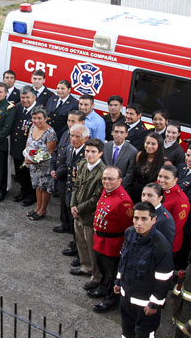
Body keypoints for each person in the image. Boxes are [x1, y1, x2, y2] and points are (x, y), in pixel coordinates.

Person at [114, 201, 174, 337]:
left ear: (153, 220)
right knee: (126, 330)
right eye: (136, 218)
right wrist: (118, 282)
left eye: (144, 219)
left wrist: (154, 304)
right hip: (126, 297)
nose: (139, 223)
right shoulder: (129, 233)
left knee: (144, 334)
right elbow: (123, 260)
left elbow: (164, 278)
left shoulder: (161, 245)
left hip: (145, 305)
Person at [90, 166, 134, 312]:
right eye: (104, 178)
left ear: (120, 181)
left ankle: (110, 299)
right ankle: (103, 289)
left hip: (112, 244)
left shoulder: (123, 201)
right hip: (100, 240)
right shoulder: (107, 191)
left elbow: (127, 227)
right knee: (103, 270)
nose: (106, 181)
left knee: (111, 273)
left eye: (110, 179)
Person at [69, 137, 105, 291]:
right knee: (81, 242)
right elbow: (76, 184)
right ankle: (85, 267)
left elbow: (95, 199)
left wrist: (79, 208)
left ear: (100, 153)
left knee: (91, 247)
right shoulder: (83, 164)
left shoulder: (102, 172)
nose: (89, 155)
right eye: (87, 151)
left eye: (93, 152)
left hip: (89, 214)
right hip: (77, 211)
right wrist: (72, 204)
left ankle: (96, 276)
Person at [52, 111, 86, 233]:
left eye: (73, 121)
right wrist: (53, 168)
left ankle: (74, 234)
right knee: (63, 203)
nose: (70, 123)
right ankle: (65, 224)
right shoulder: (66, 133)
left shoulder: (85, 144)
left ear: (82, 123)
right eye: (68, 120)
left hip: (70, 179)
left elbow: (72, 164)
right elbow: (57, 151)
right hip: (62, 178)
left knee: (72, 208)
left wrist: (58, 172)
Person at [60, 123, 89, 258]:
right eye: (72, 135)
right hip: (70, 190)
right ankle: (75, 244)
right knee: (73, 223)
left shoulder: (87, 154)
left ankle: (81, 254)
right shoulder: (70, 148)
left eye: (77, 136)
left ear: (85, 138)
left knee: (80, 225)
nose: (73, 139)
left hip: (80, 195)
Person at [24, 108, 57, 220]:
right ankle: (37, 208)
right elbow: (28, 142)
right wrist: (26, 155)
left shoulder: (50, 132)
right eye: (34, 118)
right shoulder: (32, 127)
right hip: (33, 165)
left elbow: (49, 152)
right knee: (37, 186)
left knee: (44, 188)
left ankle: (42, 210)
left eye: (39, 118)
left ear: (45, 118)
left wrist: (33, 160)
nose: (36, 121)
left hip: (45, 166)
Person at [157, 164, 190, 268]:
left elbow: (174, 227)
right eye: (160, 176)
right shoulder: (155, 187)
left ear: (175, 180)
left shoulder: (180, 200)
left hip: (166, 243)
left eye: (166, 178)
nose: (161, 180)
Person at [10, 85, 37, 207]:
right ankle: (23, 191)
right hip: (17, 145)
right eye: (22, 97)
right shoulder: (18, 107)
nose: (25, 100)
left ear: (34, 97)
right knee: (19, 171)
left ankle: (31, 195)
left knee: (29, 173)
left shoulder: (39, 111)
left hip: (31, 149)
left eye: (27, 97)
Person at [128, 133, 165, 203]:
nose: (149, 146)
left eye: (153, 144)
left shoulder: (163, 162)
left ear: (159, 145)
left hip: (149, 197)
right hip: (134, 192)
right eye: (147, 143)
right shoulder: (140, 155)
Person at [140, 182, 175, 249]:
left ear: (160, 198)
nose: (145, 198)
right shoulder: (142, 211)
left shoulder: (165, 220)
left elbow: (165, 247)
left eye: (150, 195)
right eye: (143, 195)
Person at [103, 121, 137, 189]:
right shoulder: (105, 147)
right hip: (104, 184)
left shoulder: (132, 151)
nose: (118, 135)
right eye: (116, 132)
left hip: (121, 187)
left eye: (122, 132)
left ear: (126, 134)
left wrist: (116, 186)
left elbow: (130, 174)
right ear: (112, 133)